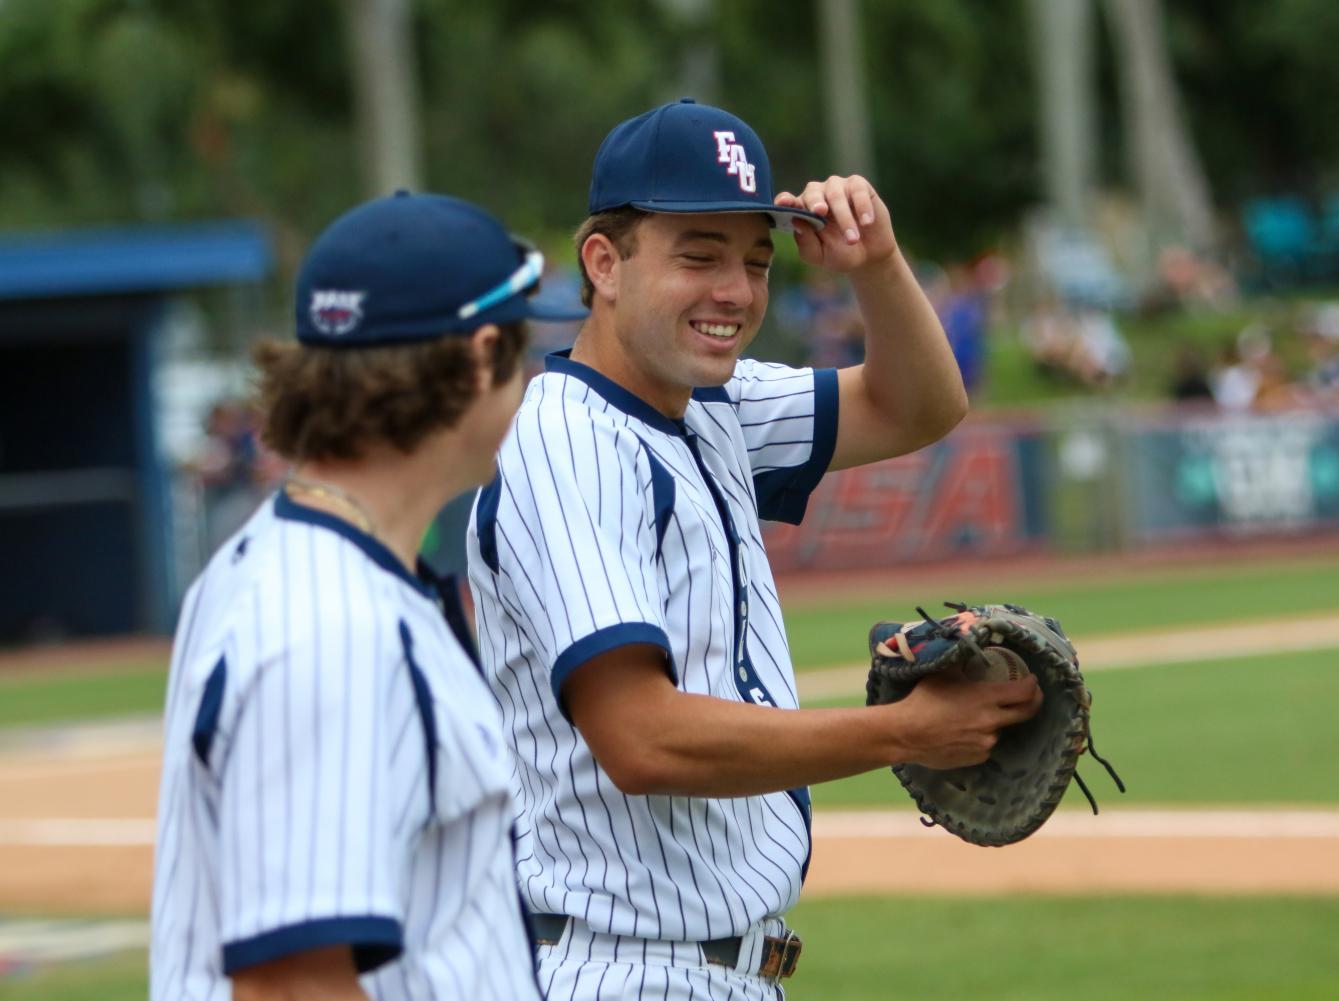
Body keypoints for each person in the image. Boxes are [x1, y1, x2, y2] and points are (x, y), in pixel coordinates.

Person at [466, 98, 1042, 998]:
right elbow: (641, 738)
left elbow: (919, 405)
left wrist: (877, 264)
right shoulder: (564, 444)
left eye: (755, 260)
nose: (734, 289)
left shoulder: (712, 407)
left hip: (706, 968)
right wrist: (904, 733)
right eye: (698, 255)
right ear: (604, 262)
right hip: (614, 963)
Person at [150, 192, 585, 1001]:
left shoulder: (280, 565)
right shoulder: (331, 624)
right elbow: (292, 984)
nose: (529, 378)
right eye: (522, 351)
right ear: (480, 355)